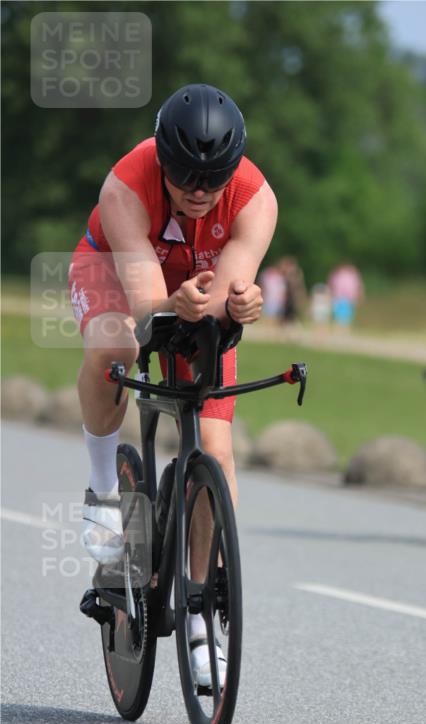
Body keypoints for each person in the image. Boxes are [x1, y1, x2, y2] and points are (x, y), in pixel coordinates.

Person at [69, 83, 277, 687]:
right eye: (185, 173)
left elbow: (223, 295)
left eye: (212, 179)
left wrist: (237, 305)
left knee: (214, 451)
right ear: (162, 157)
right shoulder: (125, 186)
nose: (198, 190)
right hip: (115, 272)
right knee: (117, 343)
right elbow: (144, 308)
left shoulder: (254, 201)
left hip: (195, 286)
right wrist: (173, 302)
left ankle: (201, 612)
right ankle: (106, 491)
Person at [327, 262, 364, 326]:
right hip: (342, 297)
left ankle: (341, 328)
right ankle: (342, 328)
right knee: (342, 314)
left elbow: (358, 286)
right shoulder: (348, 275)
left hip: (344, 298)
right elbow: (358, 286)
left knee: (343, 315)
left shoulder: (338, 274)